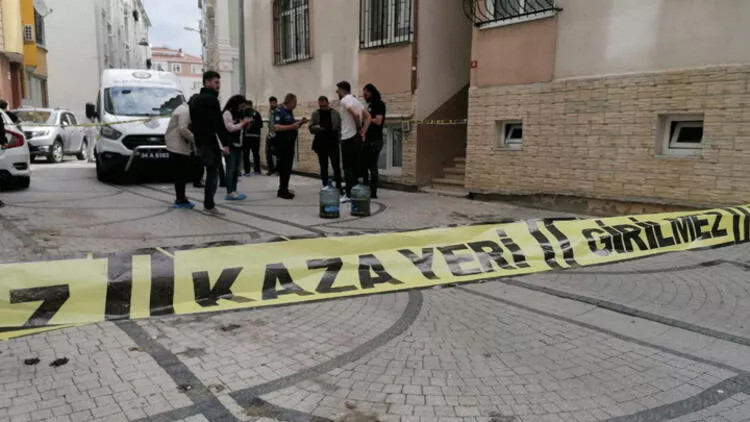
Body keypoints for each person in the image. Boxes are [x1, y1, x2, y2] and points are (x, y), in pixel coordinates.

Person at [190, 71, 231, 216]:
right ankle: (209, 206)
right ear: (207, 82)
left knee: (210, 172)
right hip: (210, 142)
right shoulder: (211, 100)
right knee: (213, 174)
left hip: (200, 142)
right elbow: (218, 123)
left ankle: (208, 204)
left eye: (219, 82)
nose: (218, 85)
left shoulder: (195, 100)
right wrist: (225, 143)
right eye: (216, 82)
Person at [336, 81, 370, 201]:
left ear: (342, 90)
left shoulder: (345, 100)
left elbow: (356, 114)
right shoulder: (356, 101)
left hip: (348, 137)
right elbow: (368, 117)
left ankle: (349, 194)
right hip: (356, 139)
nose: (336, 92)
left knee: (348, 168)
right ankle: (354, 193)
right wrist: (363, 131)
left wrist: (358, 127)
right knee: (355, 167)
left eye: (338, 90)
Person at [273, 93, 308, 200]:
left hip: (289, 144)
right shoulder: (280, 111)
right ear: (290, 102)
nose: (296, 105)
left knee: (288, 168)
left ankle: (285, 188)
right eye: (295, 102)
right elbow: (276, 127)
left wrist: (300, 123)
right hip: (282, 144)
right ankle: (282, 191)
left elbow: (292, 126)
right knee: (284, 168)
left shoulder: (289, 112)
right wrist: (292, 126)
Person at [165, 96, 197, 209]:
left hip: (175, 145)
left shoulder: (182, 108)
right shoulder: (185, 111)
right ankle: (180, 199)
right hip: (178, 147)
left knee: (180, 174)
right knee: (181, 175)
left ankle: (181, 197)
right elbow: (183, 129)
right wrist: (195, 139)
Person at [309, 96, 343, 193]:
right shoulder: (316, 113)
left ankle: (339, 186)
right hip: (321, 143)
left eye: (324, 105)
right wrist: (318, 127)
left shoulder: (335, 113)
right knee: (323, 166)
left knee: (336, 166)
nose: (322, 108)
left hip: (333, 142)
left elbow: (339, 127)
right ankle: (325, 186)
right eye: (321, 106)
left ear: (328, 103)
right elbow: (311, 127)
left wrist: (339, 139)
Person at [222, 95, 251, 201]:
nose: (242, 107)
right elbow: (230, 128)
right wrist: (242, 123)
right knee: (230, 169)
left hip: (239, 144)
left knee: (236, 170)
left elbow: (240, 128)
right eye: (241, 105)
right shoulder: (227, 113)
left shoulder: (238, 114)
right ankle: (229, 192)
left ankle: (234, 190)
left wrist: (246, 124)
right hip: (230, 145)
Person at [361, 84, 386, 199]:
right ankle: (366, 188)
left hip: (375, 141)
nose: (364, 96)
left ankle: (373, 192)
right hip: (368, 140)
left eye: (365, 94)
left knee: (372, 166)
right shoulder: (370, 105)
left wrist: (368, 119)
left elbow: (379, 121)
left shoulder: (379, 104)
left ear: (371, 92)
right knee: (363, 165)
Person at [241, 100, 263, 176]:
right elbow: (261, 125)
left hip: (247, 137)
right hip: (256, 137)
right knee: (256, 153)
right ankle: (257, 170)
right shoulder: (257, 113)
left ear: (246, 105)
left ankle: (247, 171)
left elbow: (241, 124)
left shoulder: (243, 113)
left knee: (246, 154)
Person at [265, 96, 279, 175]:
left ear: (276, 103)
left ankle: (278, 170)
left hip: (277, 135)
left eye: (273, 103)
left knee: (278, 153)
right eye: (271, 103)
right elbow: (270, 123)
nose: (272, 104)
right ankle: (271, 169)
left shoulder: (279, 111)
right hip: (270, 134)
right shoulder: (270, 111)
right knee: (268, 153)